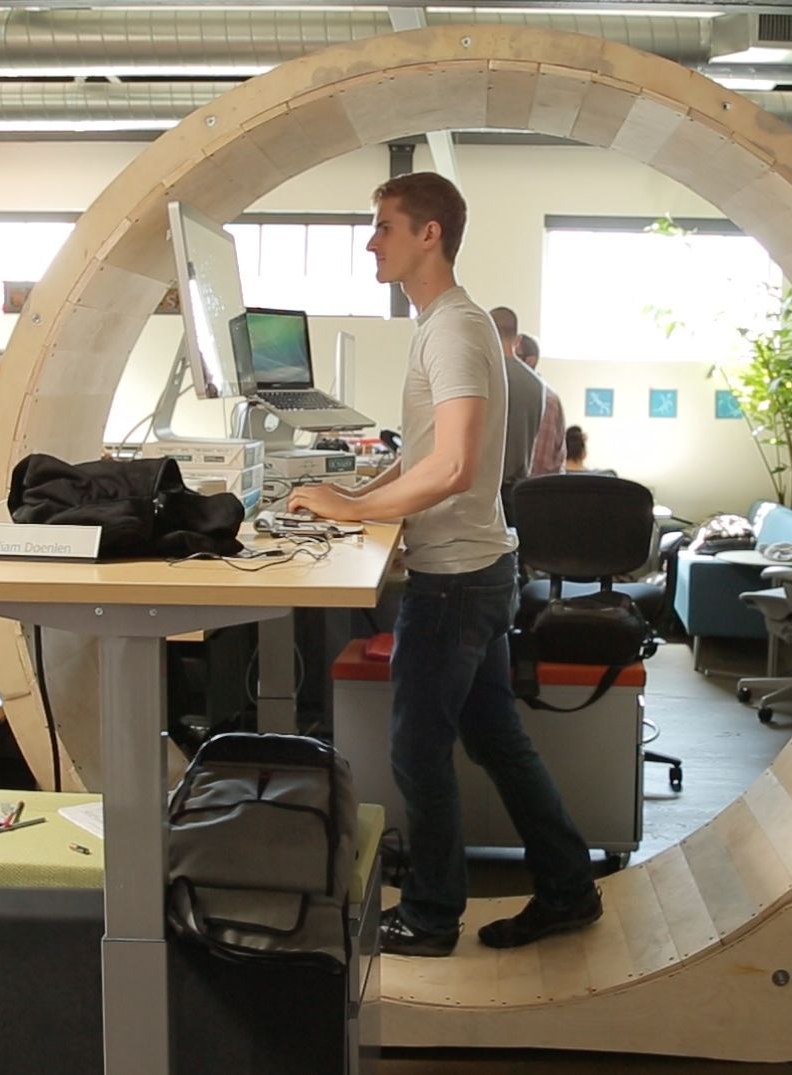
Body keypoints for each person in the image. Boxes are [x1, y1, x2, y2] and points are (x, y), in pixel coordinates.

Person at [288, 172, 601, 958]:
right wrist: (356, 489)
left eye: (384, 226)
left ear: (430, 234)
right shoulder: (443, 323)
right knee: (496, 739)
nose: (371, 241)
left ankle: (430, 917)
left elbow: (457, 464)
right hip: (479, 566)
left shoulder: (454, 328)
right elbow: (428, 455)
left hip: (457, 579)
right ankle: (568, 887)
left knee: (417, 750)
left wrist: (354, 513)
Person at [488, 306, 544, 514]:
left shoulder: (484, 377)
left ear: (486, 331)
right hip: (517, 494)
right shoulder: (536, 384)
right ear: (517, 339)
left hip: (483, 495)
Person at [515, 334, 566, 477]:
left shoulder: (545, 400)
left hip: (532, 493)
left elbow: (538, 466)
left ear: (530, 361)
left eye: (515, 356)